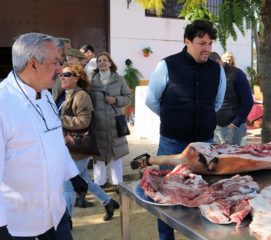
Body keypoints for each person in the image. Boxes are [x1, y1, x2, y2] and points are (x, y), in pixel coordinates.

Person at [0, 32, 88, 239]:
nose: (60, 70)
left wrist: (73, 175)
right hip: (18, 224)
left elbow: (55, 141)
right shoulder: (3, 103)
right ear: (33, 65)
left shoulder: (46, 95)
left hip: (56, 213)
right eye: (55, 62)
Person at [145, 20, 226, 240]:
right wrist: (174, 117)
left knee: (203, 194)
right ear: (187, 41)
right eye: (201, 43)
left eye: (210, 43)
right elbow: (152, 101)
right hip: (171, 143)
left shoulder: (217, 70)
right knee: (166, 196)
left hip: (204, 145)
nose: (207, 48)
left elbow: (215, 104)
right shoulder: (166, 65)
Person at [60, 63, 120, 224]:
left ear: (76, 77)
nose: (62, 77)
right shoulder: (65, 94)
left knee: (68, 183)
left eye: (66, 74)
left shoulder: (81, 96)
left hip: (80, 148)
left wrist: (59, 120)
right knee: (84, 179)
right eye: (61, 74)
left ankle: (66, 220)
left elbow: (84, 121)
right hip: (71, 148)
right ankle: (108, 202)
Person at [90, 52, 131, 188]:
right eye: (99, 61)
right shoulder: (92, 81)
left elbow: (128, 97)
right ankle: (99, 184)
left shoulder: (119, 79)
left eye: (104, 60)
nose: (102, 62)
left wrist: (116, 100)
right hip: (99, 124)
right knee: (98, 156)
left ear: (110, 63)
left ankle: (117, 184)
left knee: (116, 154)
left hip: (115, 123)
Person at [209, 52, 253, 145]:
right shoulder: (212, 74)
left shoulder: (237, 74)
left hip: (233, 128)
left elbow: (248, 101)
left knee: (234, 157)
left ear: (217, 62)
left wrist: (235, 123)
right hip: (215, 127)